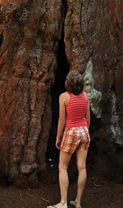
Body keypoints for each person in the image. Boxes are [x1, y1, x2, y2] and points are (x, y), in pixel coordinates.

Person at [50, 70, 90, 208]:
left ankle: (63, 203)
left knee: (62, 166)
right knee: (82, 166)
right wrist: (85, 132)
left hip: (71, 132)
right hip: (84, 131)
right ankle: (78, 202)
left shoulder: (64, 97)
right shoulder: (85, 96)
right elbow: (88, 117)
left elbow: (62, 119)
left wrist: (58, 136)